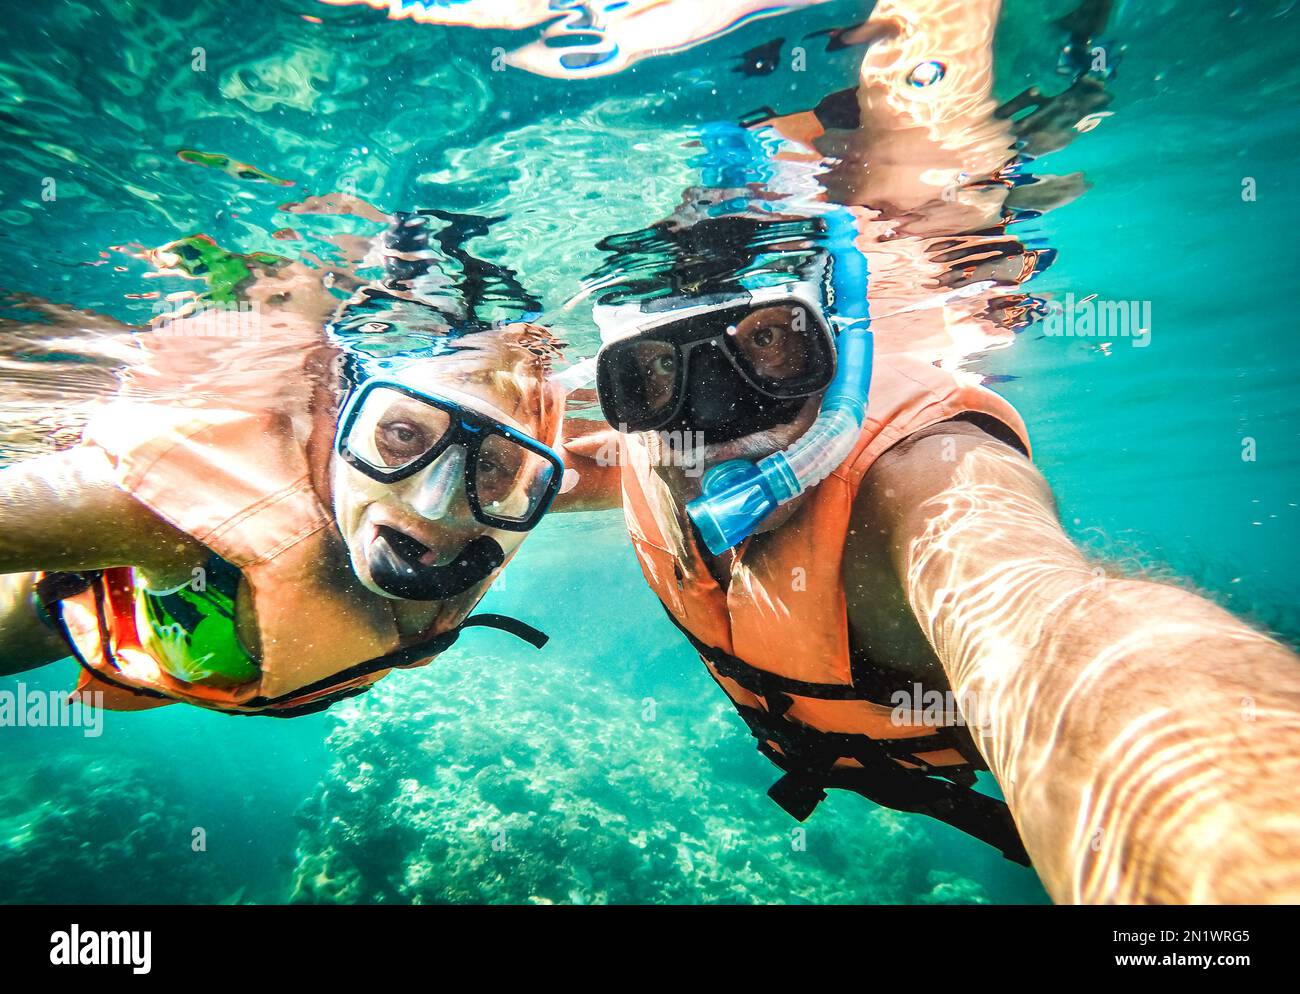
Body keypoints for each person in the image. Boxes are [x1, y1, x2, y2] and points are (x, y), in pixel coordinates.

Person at [557, 0, 1300, 902]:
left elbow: (1061, 634)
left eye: (773, 350)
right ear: (622, 396)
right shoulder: (654, 451)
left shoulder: (923, 482)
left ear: (837, 351)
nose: (727, 426)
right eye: (653, 381)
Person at [0, 211, 567, 717]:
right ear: (342, 419)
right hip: (44, 611)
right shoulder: (161, 516)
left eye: (491, 466)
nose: (434, 503)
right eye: (400, 435)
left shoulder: (517, 497)